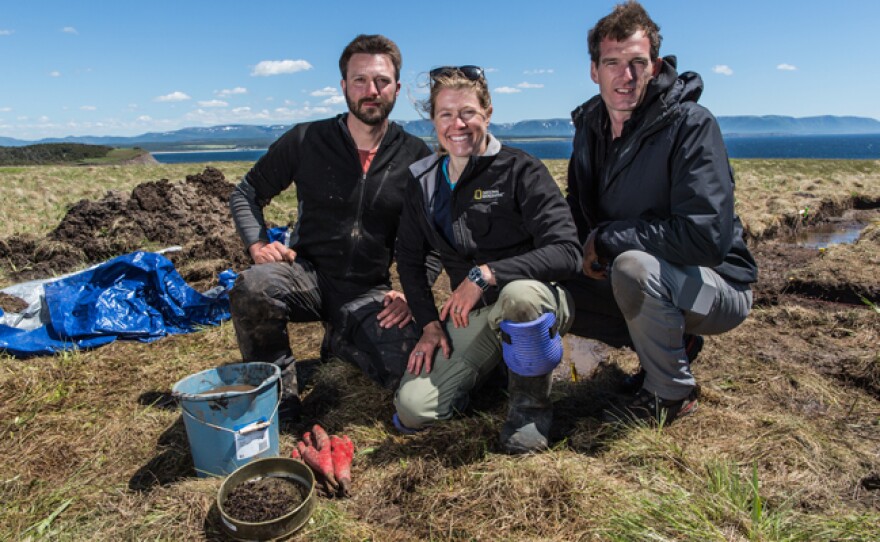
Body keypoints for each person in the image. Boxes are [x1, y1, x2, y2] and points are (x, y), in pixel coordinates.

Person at [565, 1, 758, 425]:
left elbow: (706, 238)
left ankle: (671, 392)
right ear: (594, 70)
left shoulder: (691, 125)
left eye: (637, 62)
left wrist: (610, 239)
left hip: (716, 292)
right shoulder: (589, 129)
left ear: (654, 66)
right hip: (652, 281)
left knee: (634, 267)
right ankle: (673, 347)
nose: (625, 75)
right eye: (612, 62)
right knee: (550, 275)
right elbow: (577, 213)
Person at [228, 34, 433, 418]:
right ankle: (279, 399)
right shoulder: (307, 139)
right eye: (359, 80)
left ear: (397, 88)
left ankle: (341, 340)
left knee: (406, 372)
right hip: (306, 277)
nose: (371, 91)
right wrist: (257, 244)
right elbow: (246, 193)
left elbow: (431, 238)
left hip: (369, 290)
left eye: (382, 81)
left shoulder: (416, 156)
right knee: (253, 287)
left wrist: (410, 295)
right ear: (343, 86)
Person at [392, 66, 582, 454]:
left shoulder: (521, 170)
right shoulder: (424, 181)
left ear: (488, 114)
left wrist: (487, 275)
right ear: (434, 120)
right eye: (445, 114)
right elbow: (409, 259)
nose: (457, 124)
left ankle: (530, 412)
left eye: (467, 113)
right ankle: (495, 373)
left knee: (520, 297)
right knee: (413, 410)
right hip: (475, 315)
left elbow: (568, 251)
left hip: (536, 300)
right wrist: (429, 325)